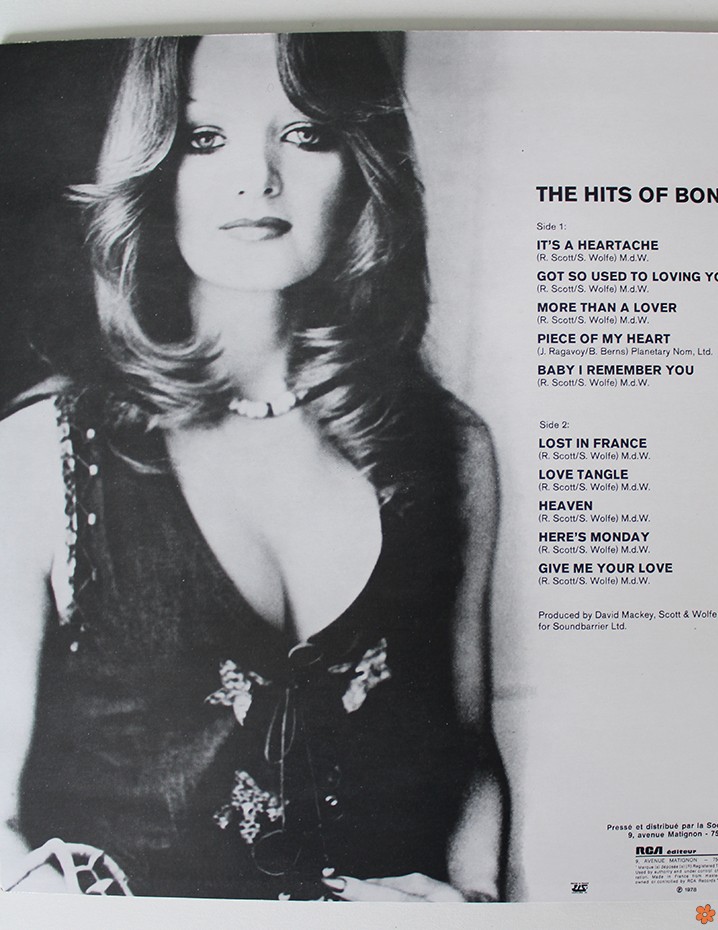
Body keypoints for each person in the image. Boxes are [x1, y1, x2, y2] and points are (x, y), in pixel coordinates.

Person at [0, 32, 505, 902]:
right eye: (204, 139)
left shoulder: (453, 451)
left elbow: (468, 758)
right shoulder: (39, 456)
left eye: (305, 134)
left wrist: (477, 906)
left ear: (363, 165)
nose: (258, 178)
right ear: (155, 171)